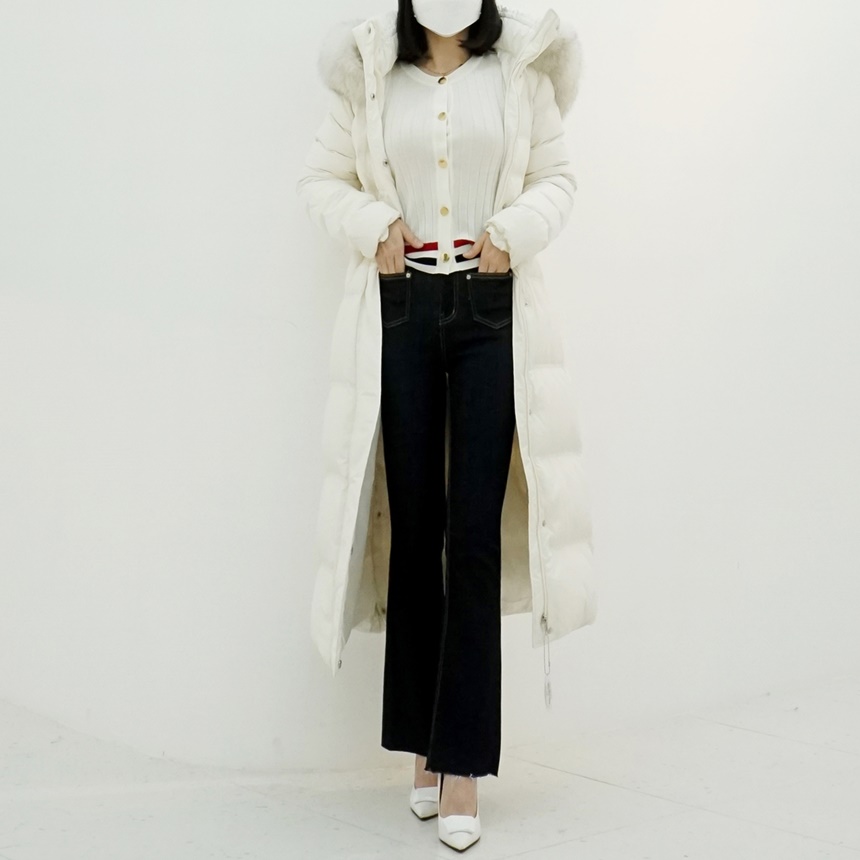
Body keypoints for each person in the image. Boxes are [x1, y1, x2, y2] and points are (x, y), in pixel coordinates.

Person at [297, 0, 597, 851]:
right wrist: (374, 226)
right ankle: (424, 747)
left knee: (471, 536)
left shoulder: (517, 71)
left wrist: (510, 233)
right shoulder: (372, 70)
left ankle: (462, 762)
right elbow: (320, 180)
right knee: (415, 527)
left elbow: (559, 179)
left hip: (490, 310)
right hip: (399, 309)